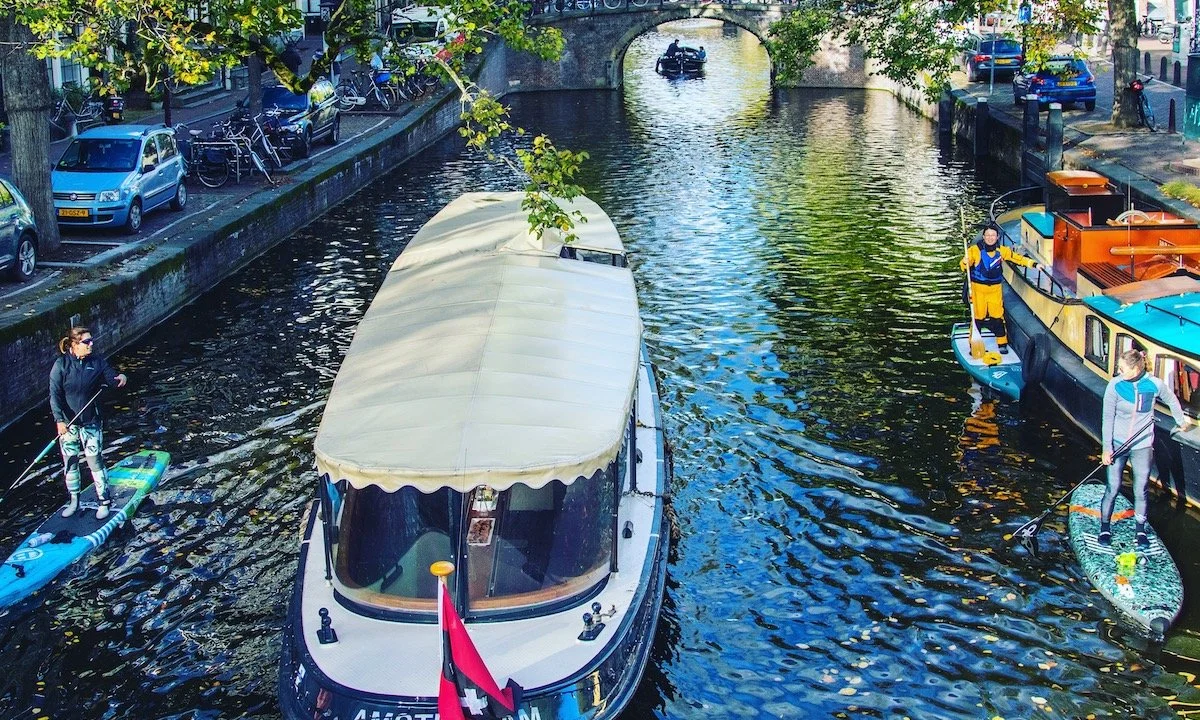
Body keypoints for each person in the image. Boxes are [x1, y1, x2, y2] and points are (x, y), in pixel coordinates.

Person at [1098, 348, 1191, 548]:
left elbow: (1171, 399)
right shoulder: (1114, 386)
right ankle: (1105, 527)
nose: (1118, 371)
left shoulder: (1154, 384)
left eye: (1122, 368)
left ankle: (1140, 531)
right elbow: (1108, 418)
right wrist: (1107, 448)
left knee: (1141, 489)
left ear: (1135, 368)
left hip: (1142, 445)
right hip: (1117, 444)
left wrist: (1181, 421)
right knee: (1113, 487)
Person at [48, 327, 127, 519]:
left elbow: (111, 378)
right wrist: (59, 420)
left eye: (91, 341)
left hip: (91, 421)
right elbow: (54, 395)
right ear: (74, 344)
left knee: (94, 461)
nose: (91, 344)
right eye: (86, 342)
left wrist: (120, 378)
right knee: (71, 462)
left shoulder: (97, 362)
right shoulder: (61, 365)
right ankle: (74, 501)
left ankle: (104, 501)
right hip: (68, 424)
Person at [959, 224, 1040, 355]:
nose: (990, 238)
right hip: (978, 289)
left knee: (997, 316)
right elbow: (964, 266)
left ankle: (1002, 342)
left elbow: (1017, 258)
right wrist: (965, 262)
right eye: (988, 235)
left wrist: (1034, 264)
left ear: (997, 237)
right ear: (984, 237)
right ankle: (974, 343)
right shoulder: (975, 250)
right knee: (978, 317)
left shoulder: (1002, 251)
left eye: (993, 235)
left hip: (995, 289)